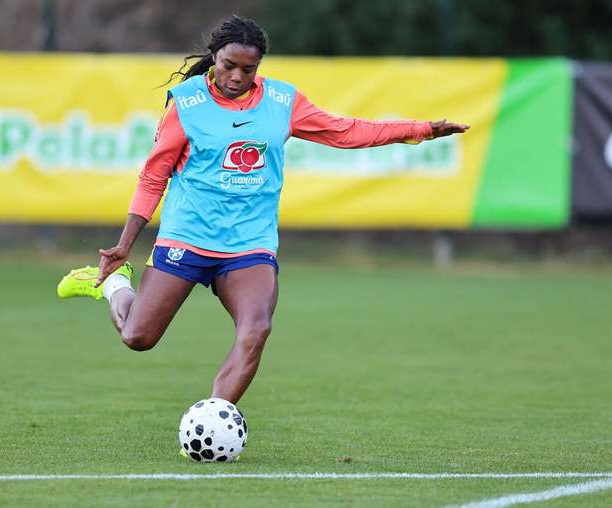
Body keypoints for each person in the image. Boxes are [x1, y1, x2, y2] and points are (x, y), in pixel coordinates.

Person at [57, 15, 469, 406]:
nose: (237, 77)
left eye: (248, 69)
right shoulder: (186, 103)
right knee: (137, 337)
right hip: (187, 237)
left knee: (256, 329)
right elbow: (153, 177)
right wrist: (123, 246)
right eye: (229, 66)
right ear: (214, 58)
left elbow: (346, 132)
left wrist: (423, 130)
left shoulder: (282, 102)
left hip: (249, 245)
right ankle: (115, 287)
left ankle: (213, 418)